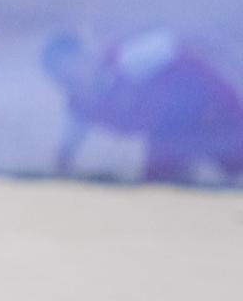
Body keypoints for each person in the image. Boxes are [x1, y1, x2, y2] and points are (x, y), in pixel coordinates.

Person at [42, 28, 243, 184]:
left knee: (234, 162)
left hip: (214, 111)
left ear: (87, 57)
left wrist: (229, 100)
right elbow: (64, 155)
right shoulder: (80, 107)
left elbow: (184, 44)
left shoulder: (127, 59)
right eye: (66, 80)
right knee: (158, 185)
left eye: (75, 71)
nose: (76, 82)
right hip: (169, 133)